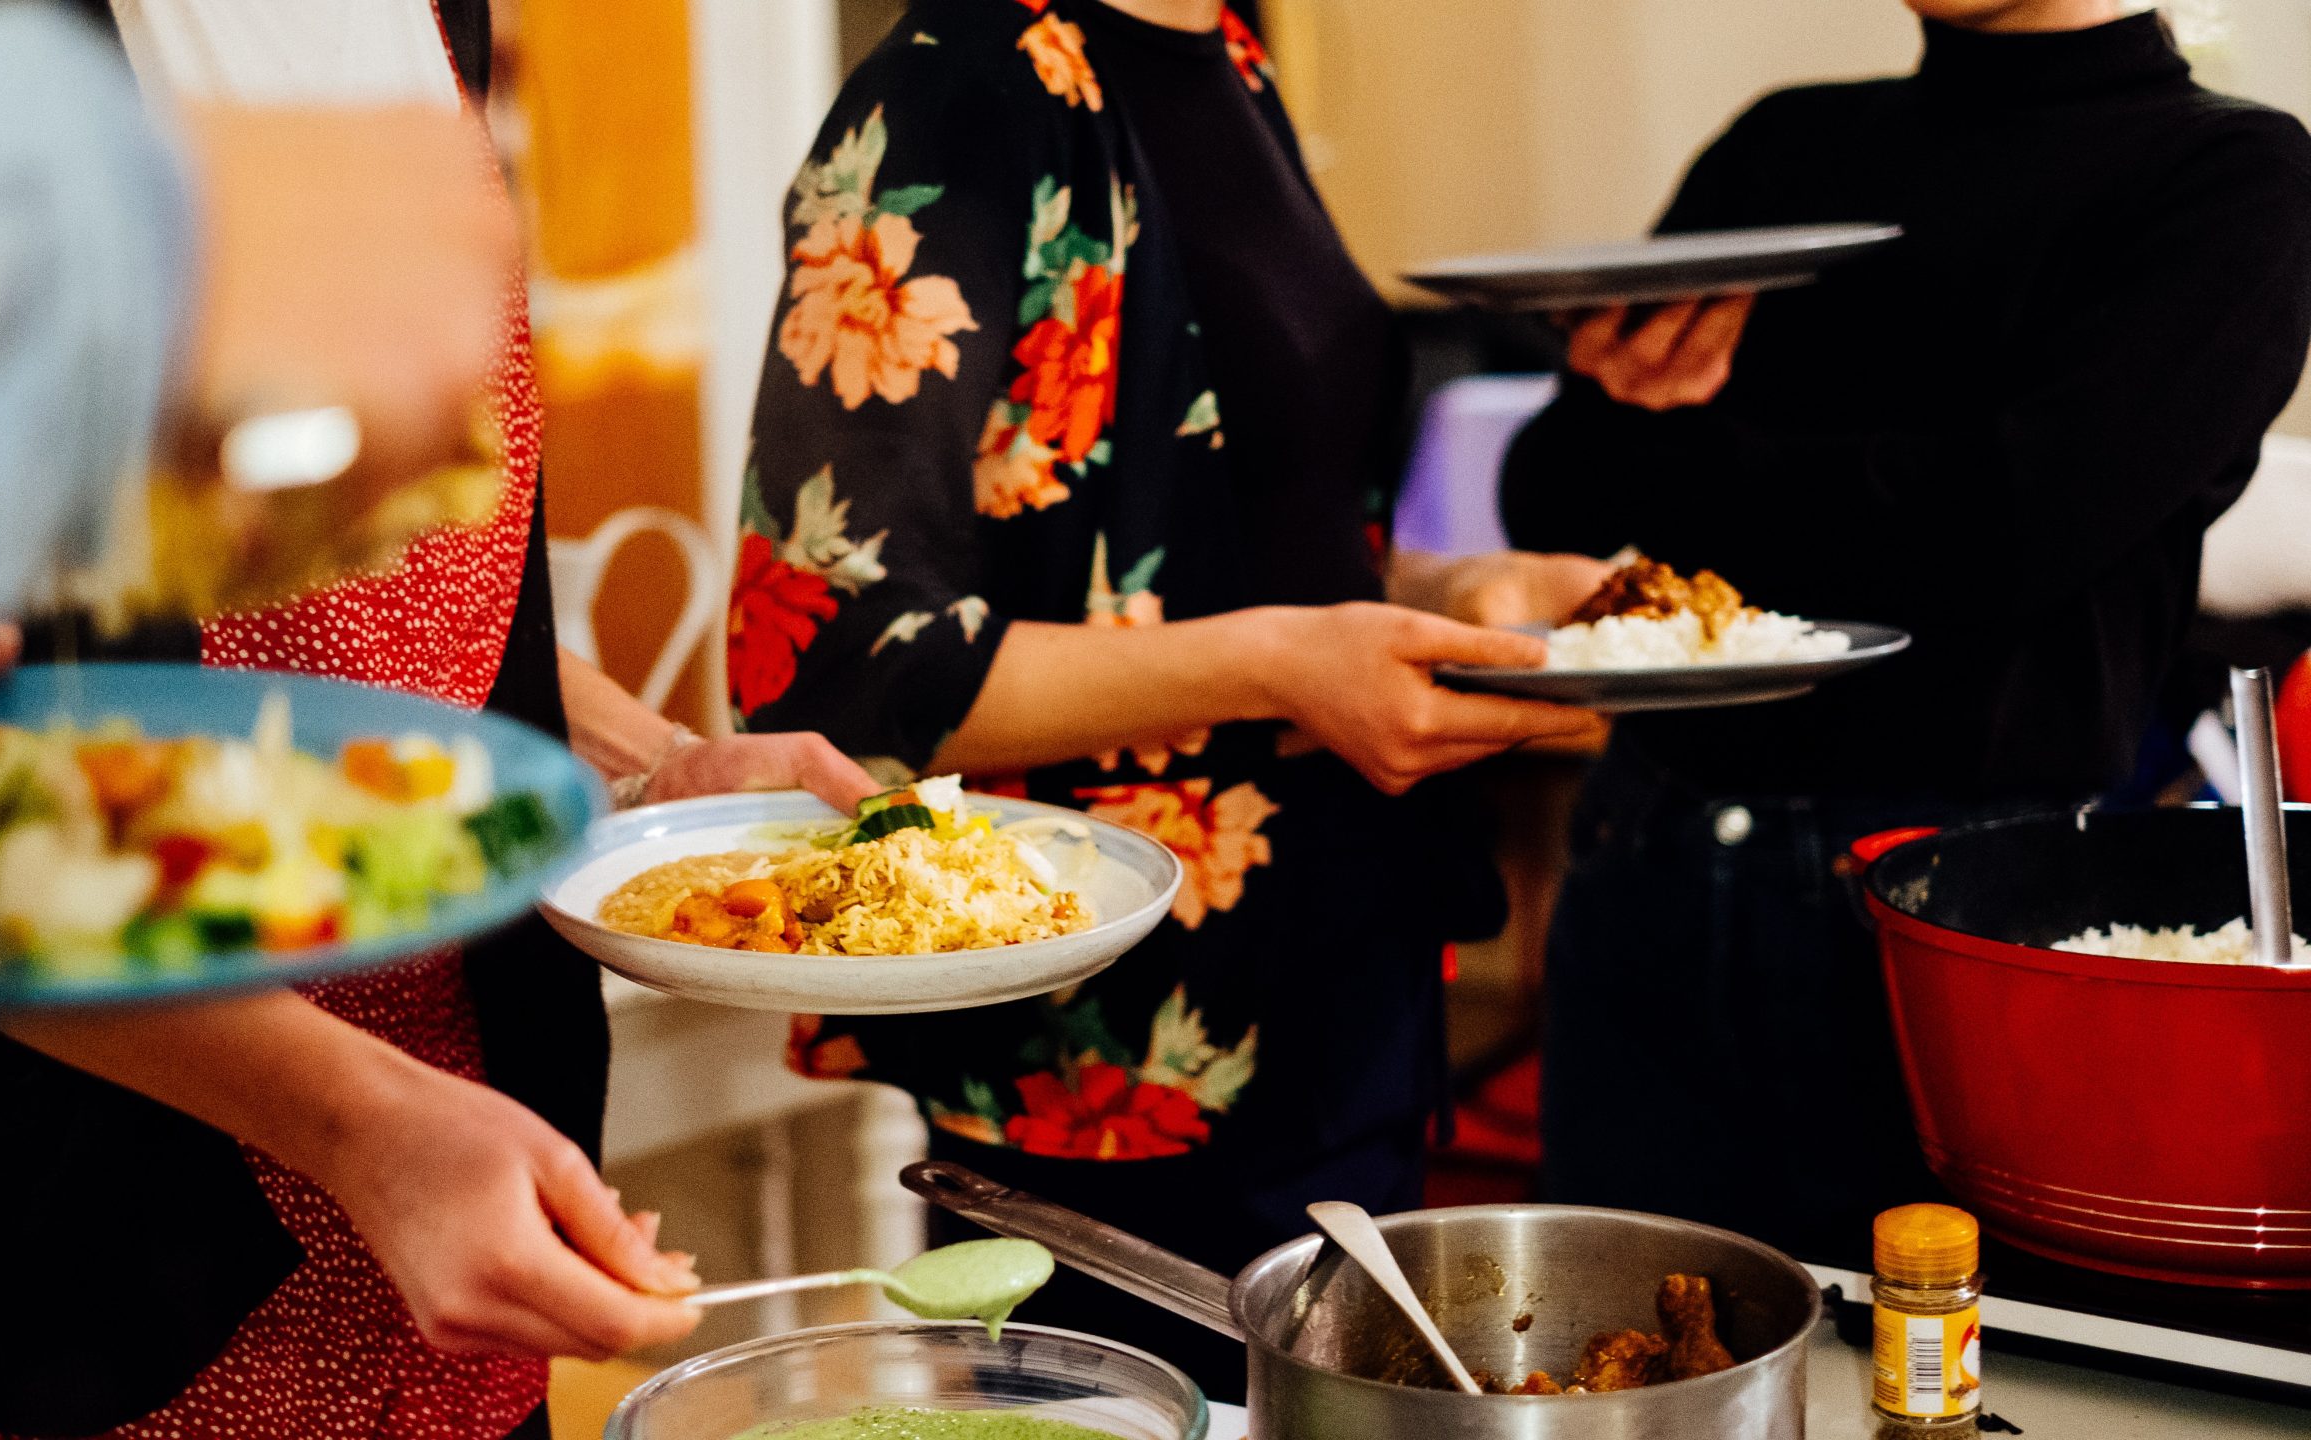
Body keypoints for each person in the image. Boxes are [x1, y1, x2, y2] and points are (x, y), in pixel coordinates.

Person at [0, 4, 873, 1438]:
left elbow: (401, 594)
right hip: (64, 1261)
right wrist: (359, 1123)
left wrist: (648, 765)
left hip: (453, 1190)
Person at [733, 0, 1604, 1397]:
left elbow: (1239, 535)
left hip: (1334, 987)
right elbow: (841, 664)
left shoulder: (1229, 58)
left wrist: (1457, 595)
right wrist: (1274, 665)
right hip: (1111, 1058)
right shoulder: (959, 93)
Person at [1501, 0, 2311, 1263]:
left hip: (1961, 897)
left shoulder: (2232, 173)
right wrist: (1862, 483)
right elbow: (1552, 484)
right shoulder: (1785, 143)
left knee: (1936, 1375)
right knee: (1602, 1356)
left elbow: (2005, 535)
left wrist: (1690, 458)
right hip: (1650, 849)